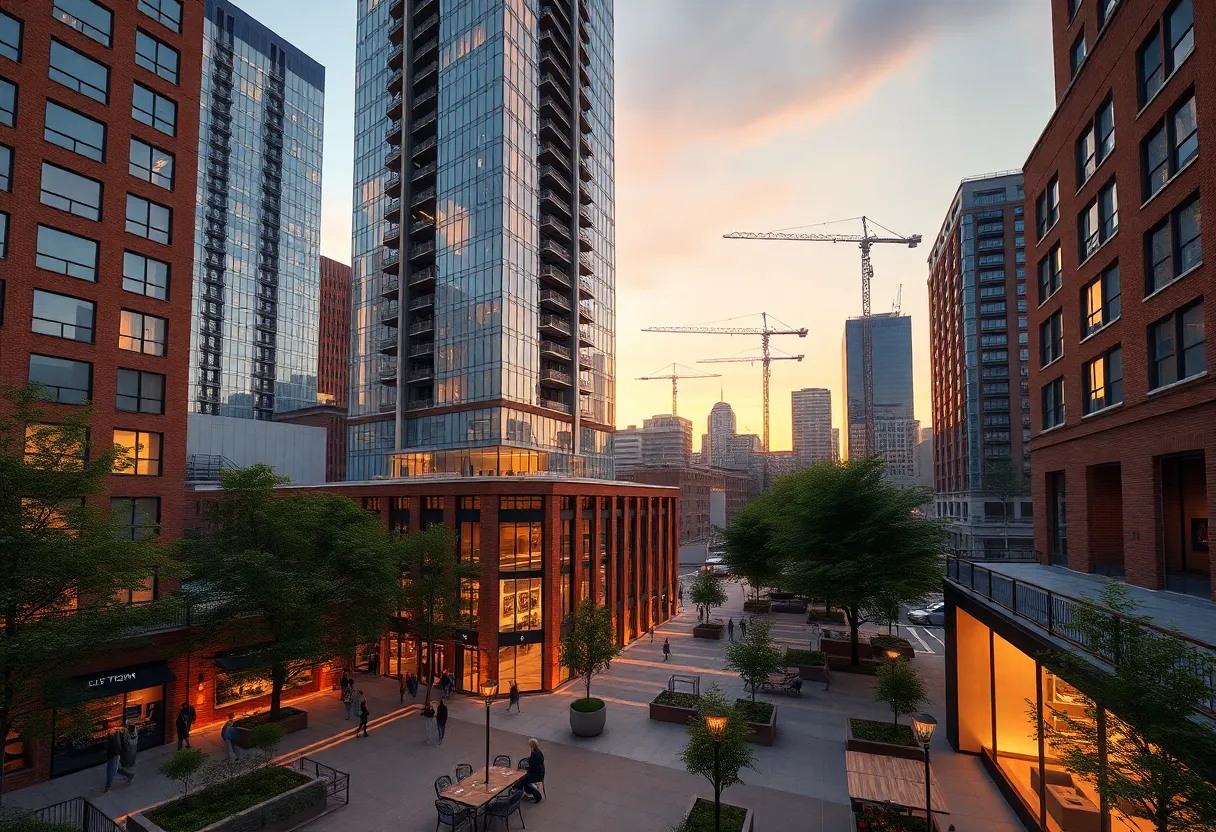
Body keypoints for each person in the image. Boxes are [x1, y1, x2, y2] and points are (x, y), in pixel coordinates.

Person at [520, 738, 545, 803]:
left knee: (524, 781)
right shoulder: (539, 752)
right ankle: (529, 792)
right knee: (525, 780)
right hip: (540, 773)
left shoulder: (534, 754)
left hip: (536, 775)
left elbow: (533, 766)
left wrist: (527, 770)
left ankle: (536, 794)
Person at [103, 727, 122, 793]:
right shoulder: (117, 734)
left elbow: (109, 749)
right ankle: (128, 775)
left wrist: (108, 758)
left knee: (110, 771)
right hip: (116, 753)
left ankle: (108, 786)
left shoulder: (111, 738)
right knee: (114, 769)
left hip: (113, 755)